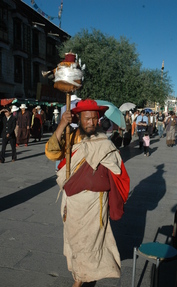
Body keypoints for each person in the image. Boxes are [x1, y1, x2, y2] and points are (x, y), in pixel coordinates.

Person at [45, 99, 130, 287]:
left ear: (98, 119)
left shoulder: (103, 142)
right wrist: (61, 125)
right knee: (75, 239)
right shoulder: (71, 135)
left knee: (90, 242)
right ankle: (79, 272)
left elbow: (118, 170)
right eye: (87, 119)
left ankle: (80, 279)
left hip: (94, 202)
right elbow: (52, 154)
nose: (91, 123)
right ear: (79, 119)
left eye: (94, 119)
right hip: (72, 201)